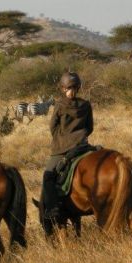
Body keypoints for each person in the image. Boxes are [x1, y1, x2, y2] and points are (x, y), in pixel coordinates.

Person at [42, 72, 94, 224]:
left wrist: (62, 139)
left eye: (71, 88)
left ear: (63, 88)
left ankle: (52, 209)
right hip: (83, 146)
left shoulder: (59, 105)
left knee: (48, 176)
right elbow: (90, 128)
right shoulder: (86, 105)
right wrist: (80, 137)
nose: (71, 91)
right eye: (70, 88)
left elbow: (52, 127)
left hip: (63, 148)